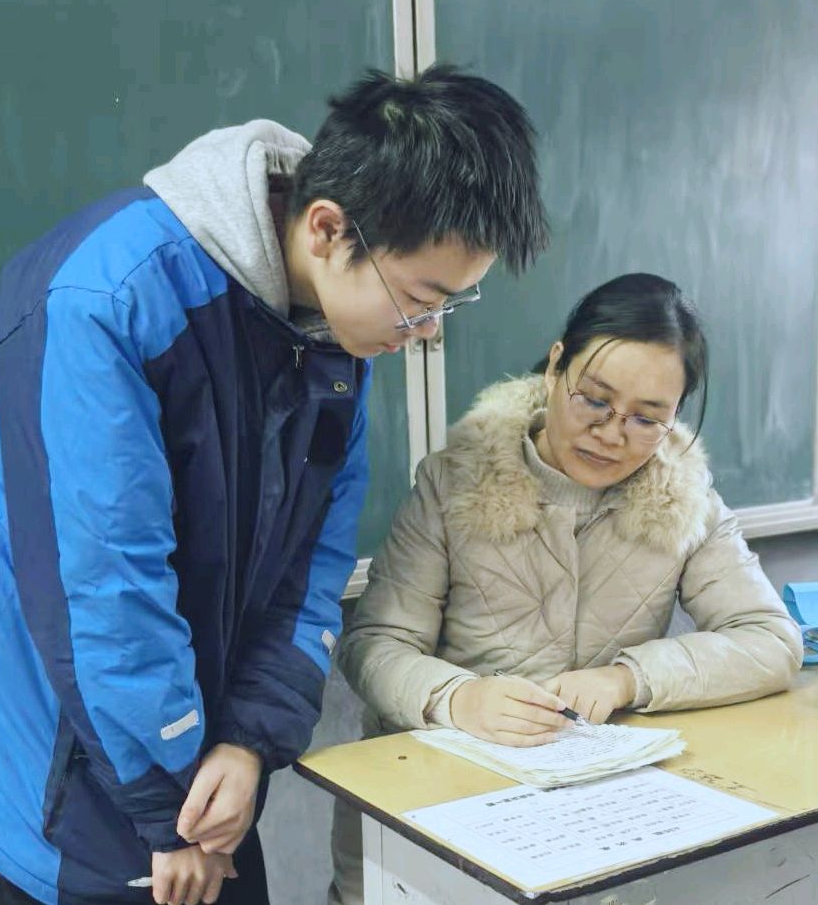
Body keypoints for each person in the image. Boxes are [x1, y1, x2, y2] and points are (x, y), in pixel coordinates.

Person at [0, 65, 549, 905]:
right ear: (327, 229)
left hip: (188, 750)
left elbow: (310, 568)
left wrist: (249, 741)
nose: (426, 333)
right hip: (59, 757)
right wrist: (168, 817)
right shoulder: (105, 298)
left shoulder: (333, 331)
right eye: (419, 300)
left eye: (448, 306)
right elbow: (103, 591)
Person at [329, 272, 803, 905]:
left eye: (647, 418)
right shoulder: (455, 482)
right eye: (595, 400)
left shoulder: (685, 500)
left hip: (593, 818)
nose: (612, 433)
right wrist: (459, 698)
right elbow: (375, 643)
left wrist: (628, 678)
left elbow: (771, 640)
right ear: (556, 366)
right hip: (438, 807)